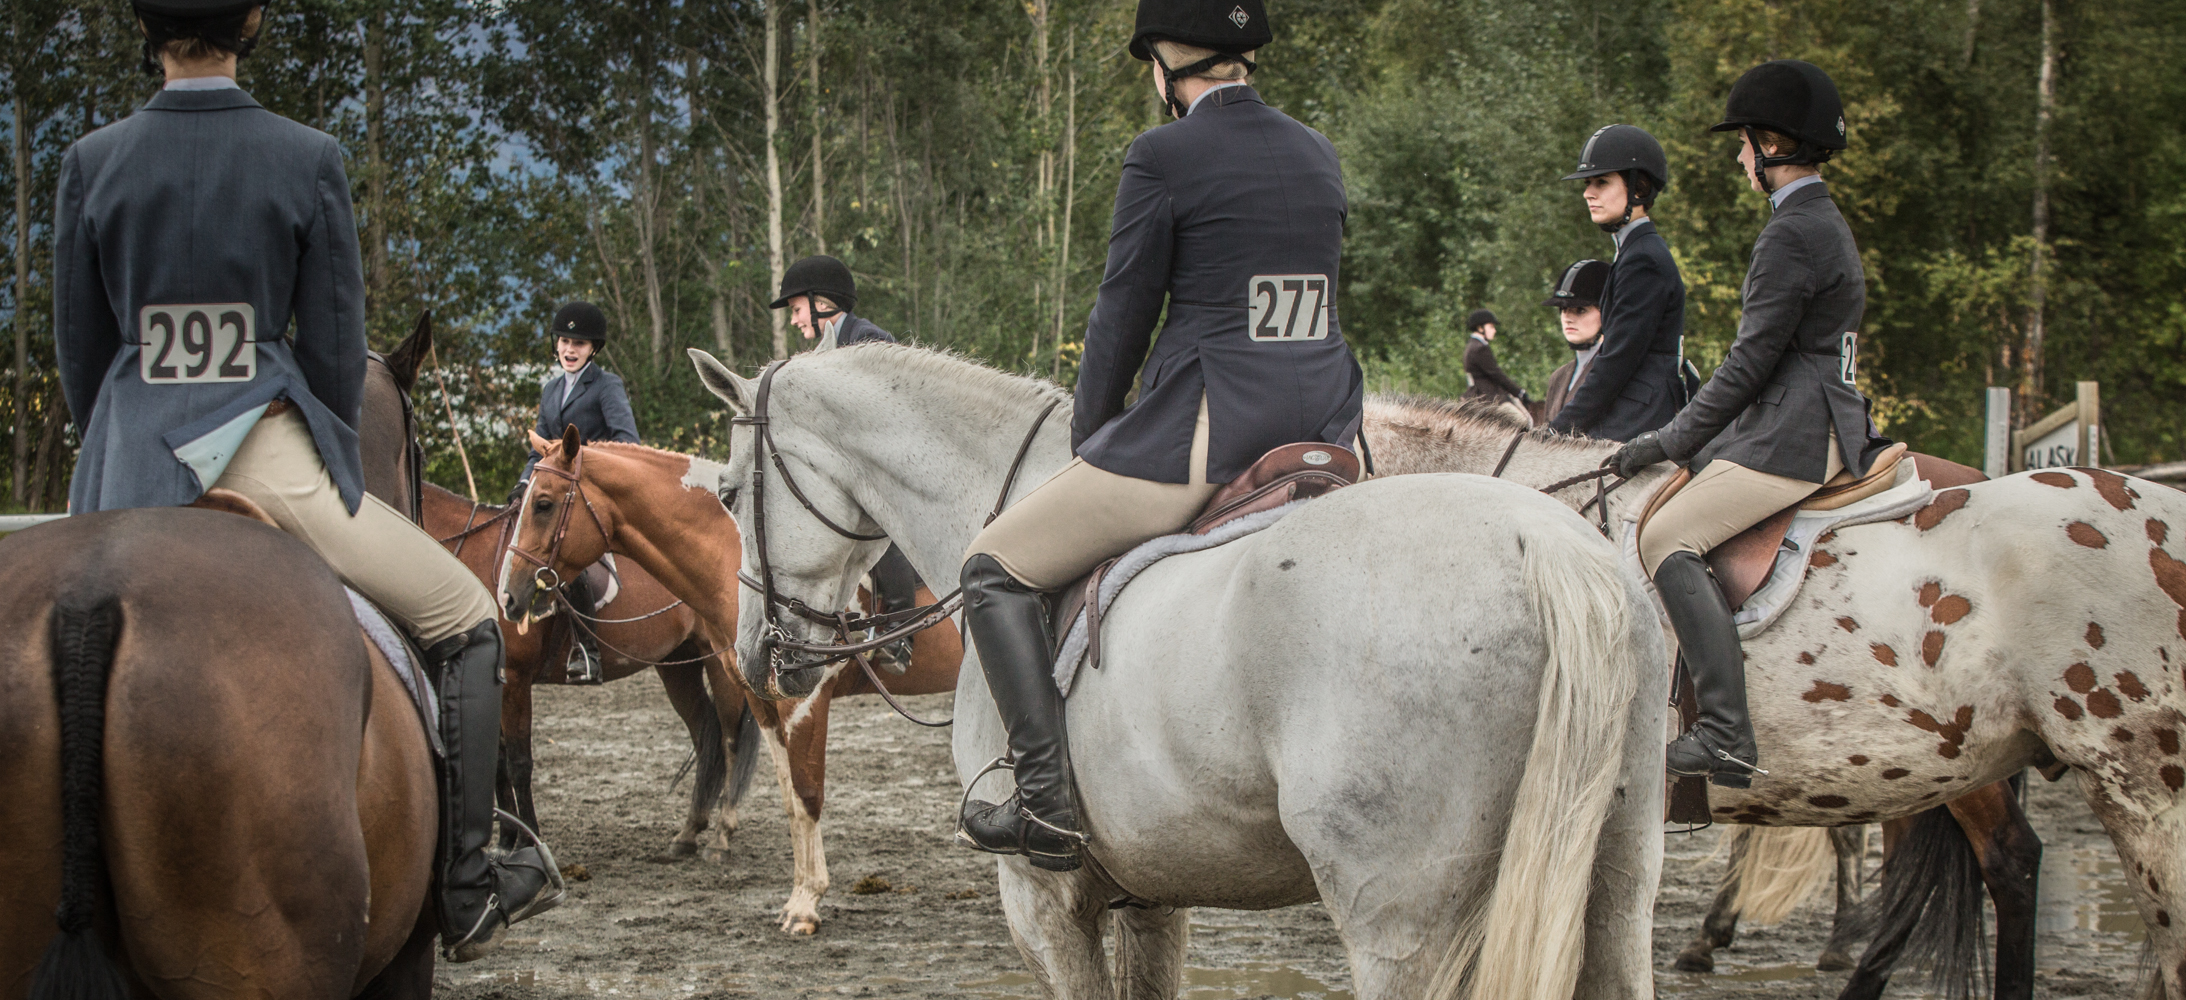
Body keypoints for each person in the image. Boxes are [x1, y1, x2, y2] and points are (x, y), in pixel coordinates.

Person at [53, 0, 556, 959]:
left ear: (143, 24)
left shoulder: (90, 160)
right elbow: (331, 354)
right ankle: (469, 881)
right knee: (465, 618)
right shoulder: (306, 155)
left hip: (123, 457)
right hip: (261, 445)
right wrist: (327, 448)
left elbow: (83, 352)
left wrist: (120, 434)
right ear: (252, 19)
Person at [953, 0, 1363, 872]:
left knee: (990, 568)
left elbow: (1122, 314)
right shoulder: (1315, 150)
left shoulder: (1163, 154)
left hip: (1212, 433)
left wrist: (1095, 437)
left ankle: (1047, 805)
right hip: (1329, 427)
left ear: (1163, 66)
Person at [1609, 60, 1894, 787]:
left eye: (1744, 142)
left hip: (1797, 432)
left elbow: (1747, 367)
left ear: (1773, 144)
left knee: (1666, 533)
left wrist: (1670, 440)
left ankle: (1727, 734)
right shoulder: (1819, 221)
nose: (1740, 156)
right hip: (1819, 417)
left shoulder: (1792, 234)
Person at [770, 256, 921, 671]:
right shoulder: (828, 349)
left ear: (823, 304)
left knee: (876, 523)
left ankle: (900, 632)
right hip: (856, 469)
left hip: (891, 467)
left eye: (797, 309)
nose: (795, 321)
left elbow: (887, 418)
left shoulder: (868, 343)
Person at [517, 301, 638, 684]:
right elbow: (540, 450)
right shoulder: (551, 389)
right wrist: (522, 485)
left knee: (572, 557)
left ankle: (586, 652)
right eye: (565, 341)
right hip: (557, 492)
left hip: (593, 492)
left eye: (580, 344)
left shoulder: (606, 386)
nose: (570, 350)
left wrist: (579, 459)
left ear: (593, 349)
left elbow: (627, 442)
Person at [1546, 124, 1690, 442]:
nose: (1588, 193)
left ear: (1639, 187)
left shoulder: (1644, 259)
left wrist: (1556, 430)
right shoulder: (1633, 252)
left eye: (1601, 182)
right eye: (1587, 183)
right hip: (1632, 411)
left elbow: (1617, 359)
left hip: (1638, 419)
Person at [1540, 259, 1611, 424]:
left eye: (1580, 310)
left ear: (1607, 312)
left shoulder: (1613, 371)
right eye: (1564, 309)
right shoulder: (1557, 377)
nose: (1567, 318)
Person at [1459, 309, 1532, 427]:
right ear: (1480, 328)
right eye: (1491, 327)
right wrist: (1519, 392)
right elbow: (1497, 375)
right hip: (1488, 397)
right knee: (1522, 421)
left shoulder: (1471, 345)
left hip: (1477, 394)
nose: (1495, 330)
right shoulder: (1480, 348)